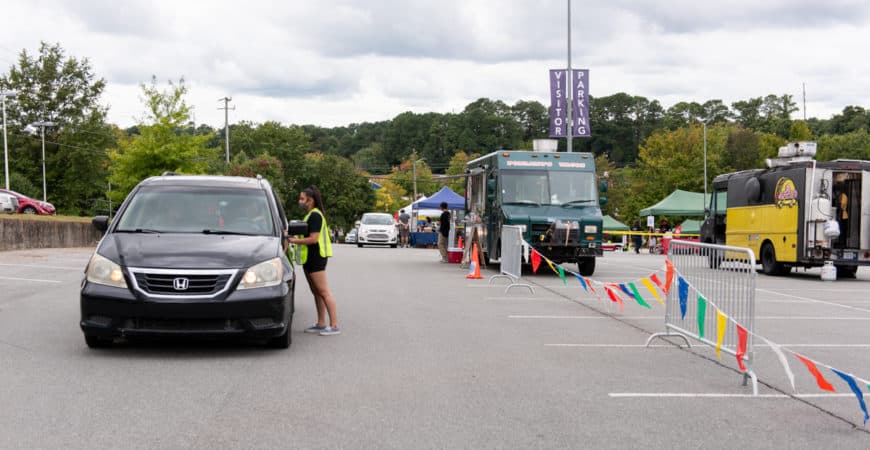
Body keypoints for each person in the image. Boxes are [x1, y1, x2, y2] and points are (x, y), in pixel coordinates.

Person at [286, 186, 340, 336]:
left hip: (317, 257)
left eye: (302, 198)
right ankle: (321, 323)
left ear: (311, 200)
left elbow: (314, 239)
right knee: (316, 292)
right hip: (309, 259)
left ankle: (334, 325)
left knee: (323, 291)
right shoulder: (309, 215)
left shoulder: (315, 215)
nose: (300, 201)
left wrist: (294, 241)